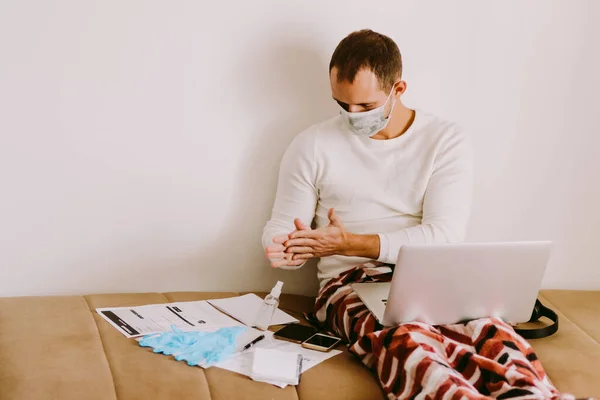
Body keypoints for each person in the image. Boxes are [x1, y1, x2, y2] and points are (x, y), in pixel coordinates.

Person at [262, 29, 561, 399]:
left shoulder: (445, 140)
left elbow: (445, 234)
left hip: (435, 276)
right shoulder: (311, 144)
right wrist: (284, 247)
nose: (352, 116)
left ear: (398, 89)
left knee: (493, 335)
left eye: (366, 106)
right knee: (409, 342)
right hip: (348, 283)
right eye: (342, 104)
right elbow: (282, 224)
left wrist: (352, 241)